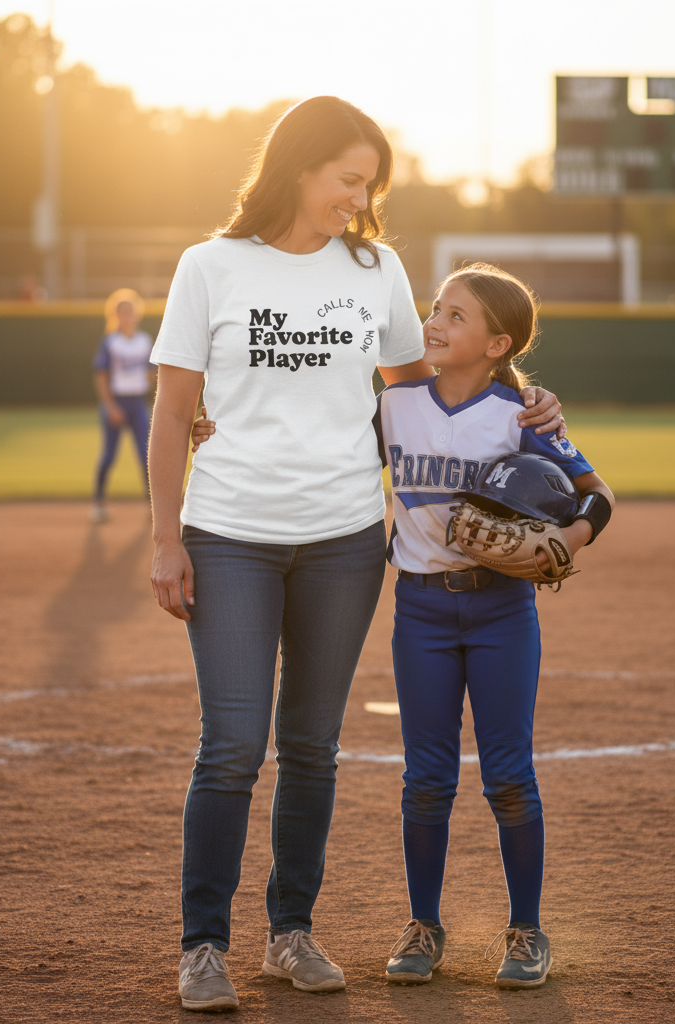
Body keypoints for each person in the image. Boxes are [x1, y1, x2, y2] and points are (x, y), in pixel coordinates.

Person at [147, 96, 566, 1013]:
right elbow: (173, 412)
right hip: (230, 533)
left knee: (312, 745)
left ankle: (289, 934)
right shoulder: (210, 266)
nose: (359, 199)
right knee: (232, 744)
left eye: (369, 185)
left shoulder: (375, 270)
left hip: (343, 539)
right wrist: (165, 538)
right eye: (348, 178)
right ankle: (203, 948)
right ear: (299, 167)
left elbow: (427, 391)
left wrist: (528, 400)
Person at [375, 264, 615, 989]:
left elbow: (596, 494)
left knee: (509, 774)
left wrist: (566, 540)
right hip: (419, 607)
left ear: (497, 343)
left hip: (501, 610)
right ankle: (423, 925)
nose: (435, 323)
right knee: (426, 777)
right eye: (436, 309)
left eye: (456, 316)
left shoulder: (521, 415)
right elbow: (314, 444)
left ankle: (526, 930)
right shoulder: (392, 404)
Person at [91, 288, 155, 522]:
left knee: (146, 457)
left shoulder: (144, 341)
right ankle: (98, 504)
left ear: (137, 314)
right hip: (117, 402)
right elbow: (101, 376)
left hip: (137, 403)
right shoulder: (110, 342)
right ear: (115, 315)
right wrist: (111, 407)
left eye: (130, 312)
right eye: (122, 312)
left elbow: (152, 373)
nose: (127, 316)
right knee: (109, 456)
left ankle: (153, 507)